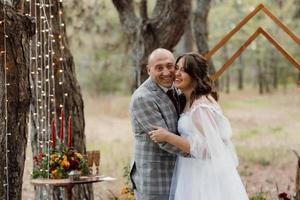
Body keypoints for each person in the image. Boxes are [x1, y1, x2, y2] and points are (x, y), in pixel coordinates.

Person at [149, 52, 249, 200]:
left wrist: (167, 136)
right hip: (191, 169)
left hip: (202, 175)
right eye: (177, 68)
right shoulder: (189, 100)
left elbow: (208, 149)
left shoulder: (200, 107)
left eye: (183, 70)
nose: (176, 73)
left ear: (194, 75)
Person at [129, 48, 187, 200]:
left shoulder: (177, 89)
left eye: (170, 66)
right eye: (159, 68)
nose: (166, 72)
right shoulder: (143, 98)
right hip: (155, 176)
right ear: (149, 70)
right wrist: (198, 150)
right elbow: (164, 141)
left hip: (179, 172)